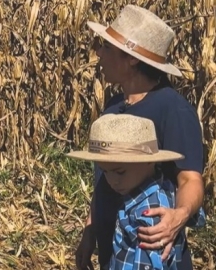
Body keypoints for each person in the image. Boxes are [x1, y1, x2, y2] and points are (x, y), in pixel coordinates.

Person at [74, 5, 205, 270]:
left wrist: (178, 216)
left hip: (150, 255)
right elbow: (104, 175)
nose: (99, 53)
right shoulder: (113, 104)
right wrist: (90, 231)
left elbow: (190, 179)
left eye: (107, 48)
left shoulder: (172, 109)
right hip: (116, 255)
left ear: (132, 59)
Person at [68, 113, 190, 269]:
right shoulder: (147, 193)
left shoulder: (150, 213)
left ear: (149, 162)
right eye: (104, 172)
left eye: (120, 172)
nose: (112, 181)